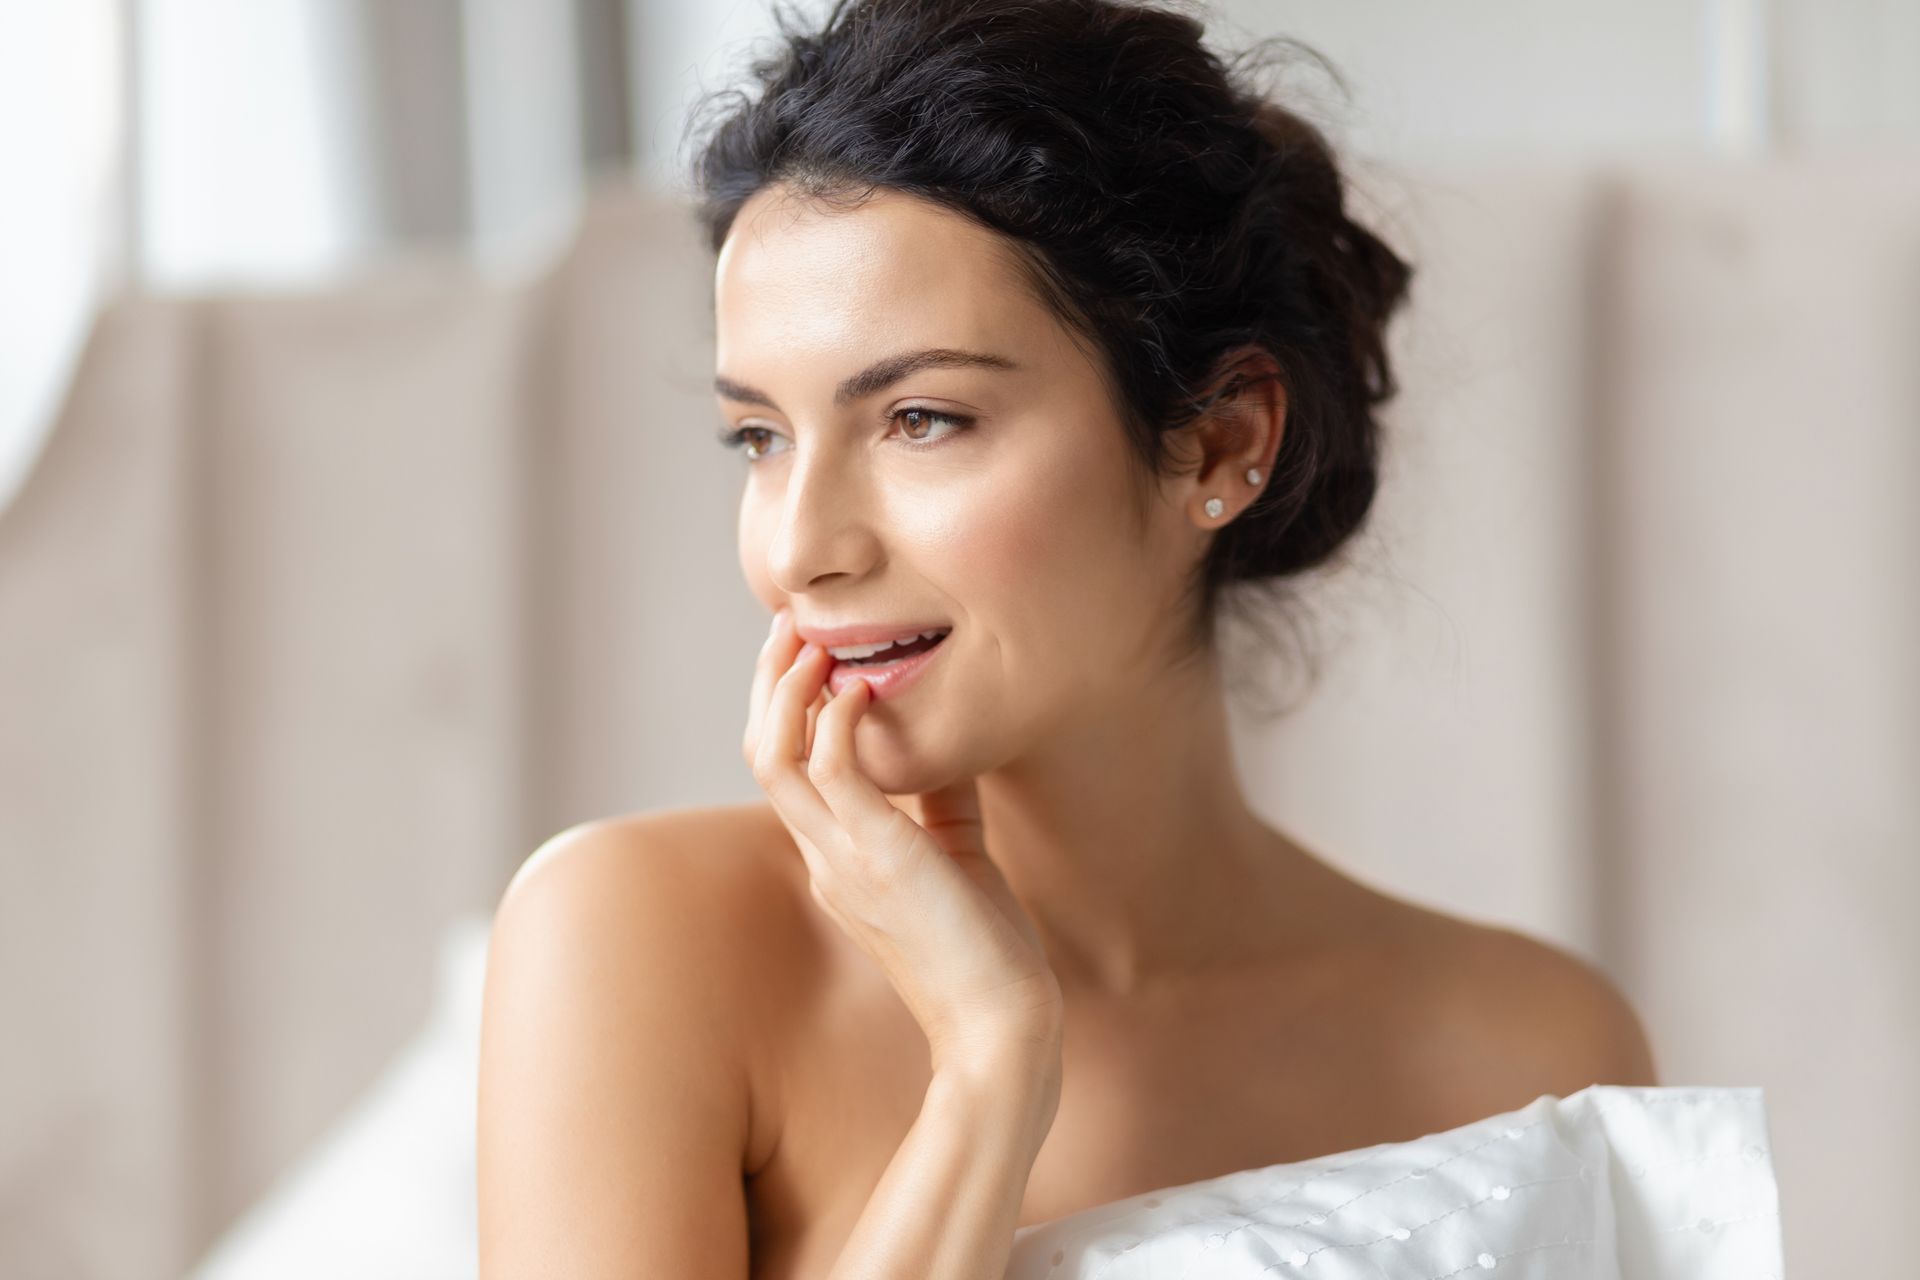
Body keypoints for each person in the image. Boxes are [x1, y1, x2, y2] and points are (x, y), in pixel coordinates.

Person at [476, 1, 1658, 1276]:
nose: (798, 546)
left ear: (1220, 441)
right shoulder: (640, 945)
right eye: (760, 437)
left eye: (922, 418)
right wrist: (989, 1062)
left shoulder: (1535, 1051)